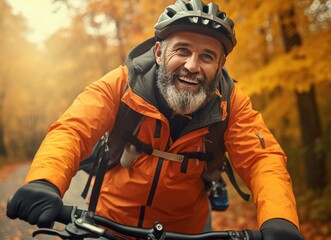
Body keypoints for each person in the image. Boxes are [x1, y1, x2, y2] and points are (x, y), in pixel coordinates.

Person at [7, 0, 303, 239]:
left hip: (188, 231)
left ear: (220, 64)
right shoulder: (122, 84)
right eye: (182, 50)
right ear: (160, 52)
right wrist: (45, 181)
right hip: (108, 222)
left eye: (207, 57)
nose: (192, 66)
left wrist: (280, 218)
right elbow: (72, 130)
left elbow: (263, 160)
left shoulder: (231, 102)